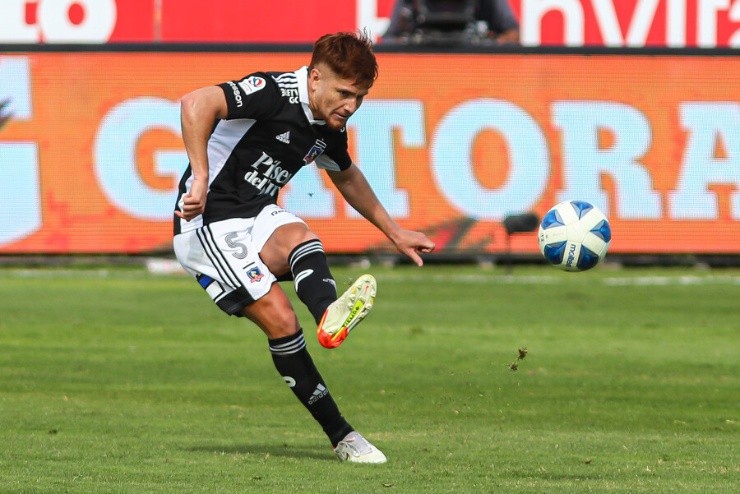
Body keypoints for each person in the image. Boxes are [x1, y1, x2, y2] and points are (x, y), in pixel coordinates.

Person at [172, 31, 435, 463]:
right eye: (344, 93)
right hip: (208, 223)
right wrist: (199, 176)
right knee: (281, 320)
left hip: (256, 213)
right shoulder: (274, 92)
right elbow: (196, 103)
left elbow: (346, 175)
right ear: (314, 79)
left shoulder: (328, 125)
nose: (351, 106)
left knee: (302, 237)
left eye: (360, 97)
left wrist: (394, 231)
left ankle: (330, 315)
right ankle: (343, 436)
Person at [383, 0, 520, 44]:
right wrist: (409, 43)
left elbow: (513, 34)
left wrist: (489, 44)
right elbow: (388, 41)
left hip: (473, 70)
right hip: (423, 71)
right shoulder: (411, 3)